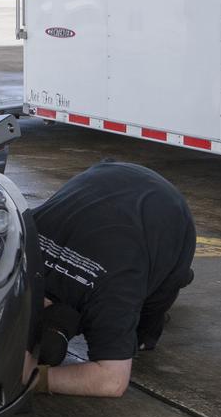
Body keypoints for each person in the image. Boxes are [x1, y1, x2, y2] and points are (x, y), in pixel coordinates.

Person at [26, 161, 196, 397]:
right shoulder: (20, 245)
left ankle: (180, 276)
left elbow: (111, 381)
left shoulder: (111, 294)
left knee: (144, 332)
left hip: (168, 209)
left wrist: (30, 380)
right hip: (108, 174)